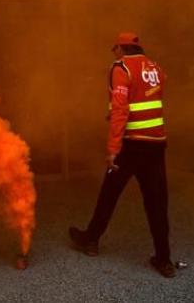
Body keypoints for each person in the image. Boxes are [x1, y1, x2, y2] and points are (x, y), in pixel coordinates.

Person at [68, 32, 186, 278]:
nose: (115, 54)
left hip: (130, 146)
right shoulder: (155, 67)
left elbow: (121, 109)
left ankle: (90, 240)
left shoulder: (120, 68)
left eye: (115, 49)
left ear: (121, 49)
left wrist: (113, 149)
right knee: (157, 203)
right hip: (156, 144)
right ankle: (163, 260)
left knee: (109, 193)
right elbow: (150, 95)